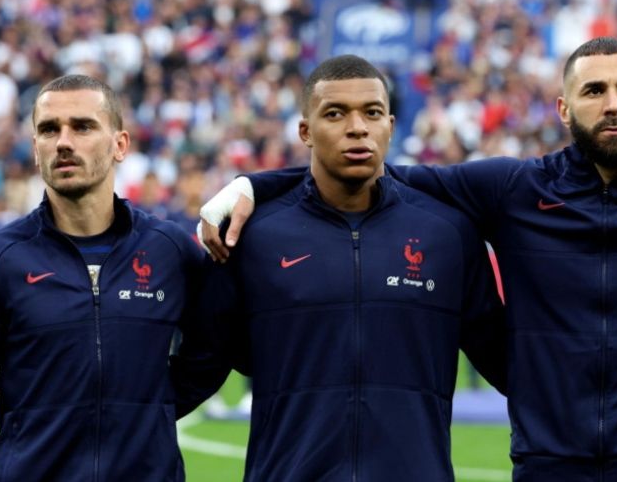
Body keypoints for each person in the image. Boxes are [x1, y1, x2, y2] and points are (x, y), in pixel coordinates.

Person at [198, 38, 617, 481]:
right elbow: (363, 169)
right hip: (552, 463)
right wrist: (253, 183)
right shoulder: (514, 189)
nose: (612, 103)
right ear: (563, 108)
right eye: (594, 91)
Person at [184, 54, 506, 480]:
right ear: (305, 131)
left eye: (372, 113)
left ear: (390, 127)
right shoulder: (252, 235)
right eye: (335, 114)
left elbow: (510, 364)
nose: (357, 127)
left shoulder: (447, 233)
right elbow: (199, 368)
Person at [0, 75, 227, 481]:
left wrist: (153, 404)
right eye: (48, 129)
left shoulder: (170, 250)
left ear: (120, 145)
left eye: (82, 126)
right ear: (36, 150)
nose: (63, 141)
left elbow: (214, 350)